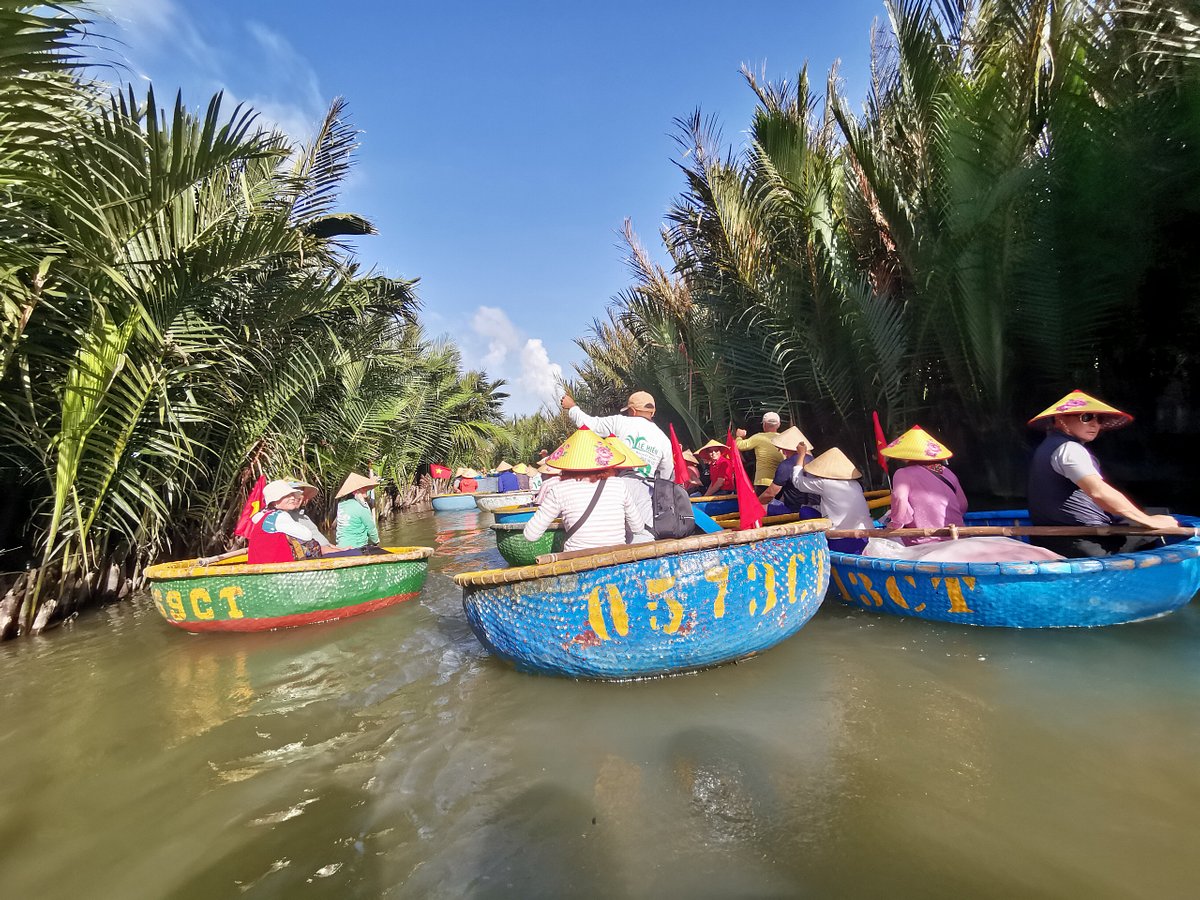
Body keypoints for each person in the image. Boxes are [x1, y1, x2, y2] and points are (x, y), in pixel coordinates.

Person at [1026, 390, 1177, 558]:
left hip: (1050, 540)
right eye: (1087, 417)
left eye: (1100, 419)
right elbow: (1099, 492)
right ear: (1061, 419)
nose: (1095, 425)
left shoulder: (1047, 446)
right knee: (1159, 521)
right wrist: (1148, 522)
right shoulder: (1070, 449)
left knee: (1152, 514)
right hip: (1085, 543)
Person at [562, 391, 673, 537]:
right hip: (647, 493)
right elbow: (667, 476)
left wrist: (573, 407)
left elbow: (588, 425)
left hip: (617, 488)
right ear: (652, 412)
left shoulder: (620, 422)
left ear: (632, 411)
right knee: (644, 535)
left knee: (614, 535)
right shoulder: (663, 439)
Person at [524, 427, 644, 553]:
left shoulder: (559, 490)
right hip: (615, 560)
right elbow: (637, 527)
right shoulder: (618, 485)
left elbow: (530, 535)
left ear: (567, 464)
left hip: (577, 563)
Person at [881, 425, 969, 545]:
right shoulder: (946, 471)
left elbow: (899, 499)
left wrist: (895, 524)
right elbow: (963, 505)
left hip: (925, 541)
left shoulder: (903, 473)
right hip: (957, 537)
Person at [791, 448, 874, 553]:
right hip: (865, 535)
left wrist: (801, 455)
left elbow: (797, 481)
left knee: (805, 511)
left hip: (840, 539)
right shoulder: (855, 484)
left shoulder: (825, 484)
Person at [248, 480, 349, 563]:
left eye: (292, 494)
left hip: (267, 563)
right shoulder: (279, 516)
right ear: (274, 501)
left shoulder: (265, 515)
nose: (292, 498)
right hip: (275, 569)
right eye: (286, 496)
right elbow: (307, 535)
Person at [758, 427, 819, 518]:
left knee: (759, 506)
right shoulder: (813, 460)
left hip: (794, 510)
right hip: (814, 508)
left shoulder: (786, 465)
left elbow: (771, 493)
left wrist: (756, 502)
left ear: (785, 449)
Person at [735, 411, 786, 486]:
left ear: (764, 425)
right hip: (781, 482)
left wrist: (739, 436)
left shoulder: (759, 437)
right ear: (778, 425)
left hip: (763, 482)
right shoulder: (785, 438)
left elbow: (740, 446)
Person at [335, 472, 383, 550]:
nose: (366, 489)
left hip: (340, 547)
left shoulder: (341, 505)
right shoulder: (361, 507)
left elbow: (361, 494)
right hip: (357, 547)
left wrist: (371, 483)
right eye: (363, 488)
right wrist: (376, 541)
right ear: (355, 491)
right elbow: (371, 528)